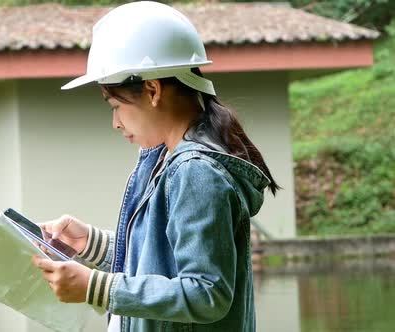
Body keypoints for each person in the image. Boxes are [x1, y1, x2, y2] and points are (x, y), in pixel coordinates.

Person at [31, 1, 280, 331]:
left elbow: (207, 293)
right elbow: (160, 261)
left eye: (117, 106)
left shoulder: (196, 172)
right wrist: (89, 243)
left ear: (152, 89)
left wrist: (95, 287)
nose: (115, 123)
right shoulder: (167, 159)